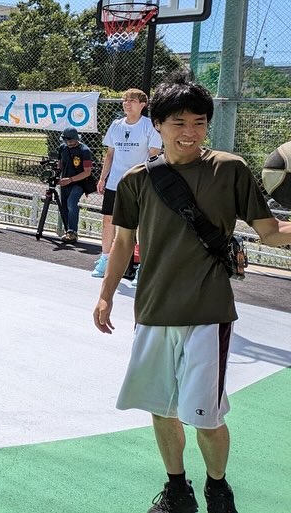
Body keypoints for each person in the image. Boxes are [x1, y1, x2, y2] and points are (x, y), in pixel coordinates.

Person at [93, 70, 291, 513]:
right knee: (161, 409)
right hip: (153, 309)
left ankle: (218, 491)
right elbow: (123, 242)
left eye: (199, 122)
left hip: (208, 312)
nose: (190, 132)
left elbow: (271, 232)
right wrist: (106, 294)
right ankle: (177, 490)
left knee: (207, 416)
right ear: (157, 125)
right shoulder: (137, 181)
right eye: (179, 123)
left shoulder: (230, 169)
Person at [92, 88, 163, 277]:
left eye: (131, 100)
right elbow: (110, 154)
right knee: (108, 221)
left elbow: (154, 157)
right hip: (114, 184)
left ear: (142, 105)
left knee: (140, 226)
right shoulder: (116, 125)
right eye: (124, 100)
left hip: (138, 186)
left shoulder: (149, 126)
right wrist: (102, 178)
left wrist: (150, 183)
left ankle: (142, 268)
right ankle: (105, 260)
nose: (126, 103)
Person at [57, 126, 92, 243]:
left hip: (79, 182)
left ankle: (72, 231)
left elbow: (87, 172)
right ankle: (68, 231)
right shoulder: (62, 148)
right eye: (66, 140)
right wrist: (57, 176)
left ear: (76, 138)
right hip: (65, 181)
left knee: (71, 203)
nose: (69, 142)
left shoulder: (84, 151)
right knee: (64, 206)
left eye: (71, 140)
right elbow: (60, 164)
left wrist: (70, 179)